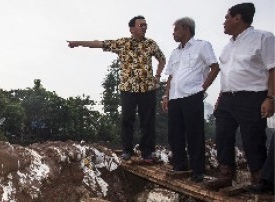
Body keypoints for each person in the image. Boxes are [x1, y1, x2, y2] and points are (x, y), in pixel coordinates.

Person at [67, 15, 166, 163]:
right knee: (127, 120)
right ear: (132, 29)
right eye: (141, 25)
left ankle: (147, 153)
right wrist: (78, 43)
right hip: (128, 89)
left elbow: (162, 59)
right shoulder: (122, 43)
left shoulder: (151, 44)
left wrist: (157, 76)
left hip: (147, 88)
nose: (144, 27)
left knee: (148, 122)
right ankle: (127, 150)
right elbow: (100, 44)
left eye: (146, 25)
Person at [204, 2, 275, 191]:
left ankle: (260, 179)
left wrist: (270, 98)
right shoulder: (228, 47)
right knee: (223, 135)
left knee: (252, 138)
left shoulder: (263, 37)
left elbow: (273, 69)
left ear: (238, 18)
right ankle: (225, 175)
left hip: (252, 96)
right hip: (227, 97)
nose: (224, 22)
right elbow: (227, 73)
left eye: (227, 17)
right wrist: (220, 96)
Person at [161, 17, 220, 183]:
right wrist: (166, 95)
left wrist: (203, 88)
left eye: (176, 30)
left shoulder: (202, 46)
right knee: (174, 133)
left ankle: (198, 171)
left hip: (192, 95)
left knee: (194, 133)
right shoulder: (174, 52)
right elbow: (171, 76)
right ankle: (180, 165)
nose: (173, 33)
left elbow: (215, 67)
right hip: (175, 97)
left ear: (186, 29)